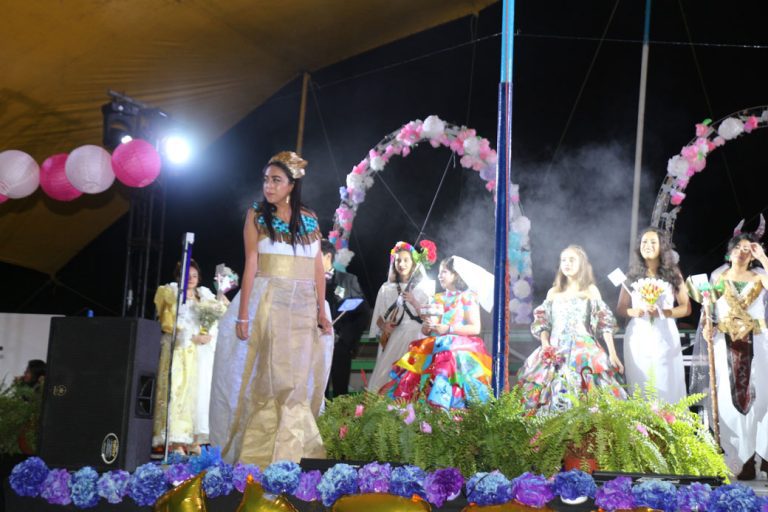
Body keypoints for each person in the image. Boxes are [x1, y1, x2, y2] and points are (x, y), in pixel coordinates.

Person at [209, 151, 331, 467]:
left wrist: (321, 310)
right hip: (272, 302)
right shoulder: (256, 215)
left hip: (304, 306)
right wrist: (244, 312)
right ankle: (263, 457)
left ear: (292, 185)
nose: (269, 185)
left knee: (298, 381)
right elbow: (252, 263)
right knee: (275, 379)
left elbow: (318, 269)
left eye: (276, 180)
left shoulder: (310, 218)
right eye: (266, 179)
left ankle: (295, 458)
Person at [692, 229, 768, 480]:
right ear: (730, 251)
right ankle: (740, 457)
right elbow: (708, 310)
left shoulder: (761, 275)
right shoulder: (717, 276)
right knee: (727, 402)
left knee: (761, 401)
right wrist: (706, 327)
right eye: (738, 247)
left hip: (758, 343)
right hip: (725, 344)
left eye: (748, 248)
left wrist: (764, 258)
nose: (742, 252)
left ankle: (763, 455)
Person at [516, 245, 625, 414]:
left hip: (585, 351)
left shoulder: (590, 291)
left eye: (571, 260)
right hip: (556, 350)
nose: (566, 263)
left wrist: (612, 353)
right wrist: (545, 344)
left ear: (581, 263)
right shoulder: (553, 292)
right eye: (563, 260)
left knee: (590, 394)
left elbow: (605, 322)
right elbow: (542, 322)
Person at [380, 256, 493, 410]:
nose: (440, 276)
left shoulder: (468, 297)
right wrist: (427, 327)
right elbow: (426, 330)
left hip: (458, 351)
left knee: (453, 380)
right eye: (439, 272)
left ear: (456, 274)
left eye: (444, 272)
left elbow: (475, 328)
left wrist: (449, 329)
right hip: (437, 347)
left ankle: (451, 412)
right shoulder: (436, 299)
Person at [152, 259, 221, 455]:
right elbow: (168, 323)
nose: (191, 280)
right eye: (187, 276)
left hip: (201, 352)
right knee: (179, 392)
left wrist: (209, 334)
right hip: (182, 349)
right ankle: (176, 441)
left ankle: (194, 440)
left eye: (194, 276)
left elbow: (218, 317)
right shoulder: (171, 293)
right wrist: (190, 336)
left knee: (199, 394)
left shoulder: (205, 295)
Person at [617, 227, 690, 402]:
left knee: (665, 381)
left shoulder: (673, 274)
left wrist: (663, 312)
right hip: (638, 336)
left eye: (652, 242)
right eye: (644, 242)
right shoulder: (631, 275)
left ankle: (669, 425)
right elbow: (621, 308)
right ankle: (641, 428)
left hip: (665, 334)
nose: (647, 245)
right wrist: (633, 311)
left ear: (662, 247)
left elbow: (686, 307)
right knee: (640, 384)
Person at [368, 241, 435, 393]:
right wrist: (383, 326)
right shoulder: (386, 288)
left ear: (414, 263)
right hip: (396, 337)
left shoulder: (424, 287)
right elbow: (379, 315)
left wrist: (414, 301)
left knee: (415, 379)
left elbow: (429, 317)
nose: (402, 264)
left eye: (406, 260)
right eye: (398, 260)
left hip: (418, 337)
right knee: (386, 375)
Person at [320, 240, 371, 397]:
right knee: (315, 391)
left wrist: (345, 340)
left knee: (340, 393)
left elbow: (363, 313)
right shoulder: (306, 281)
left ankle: (339, 422)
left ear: (328, 256)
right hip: (315, 347)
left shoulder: (348, 280)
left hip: (340, 346)